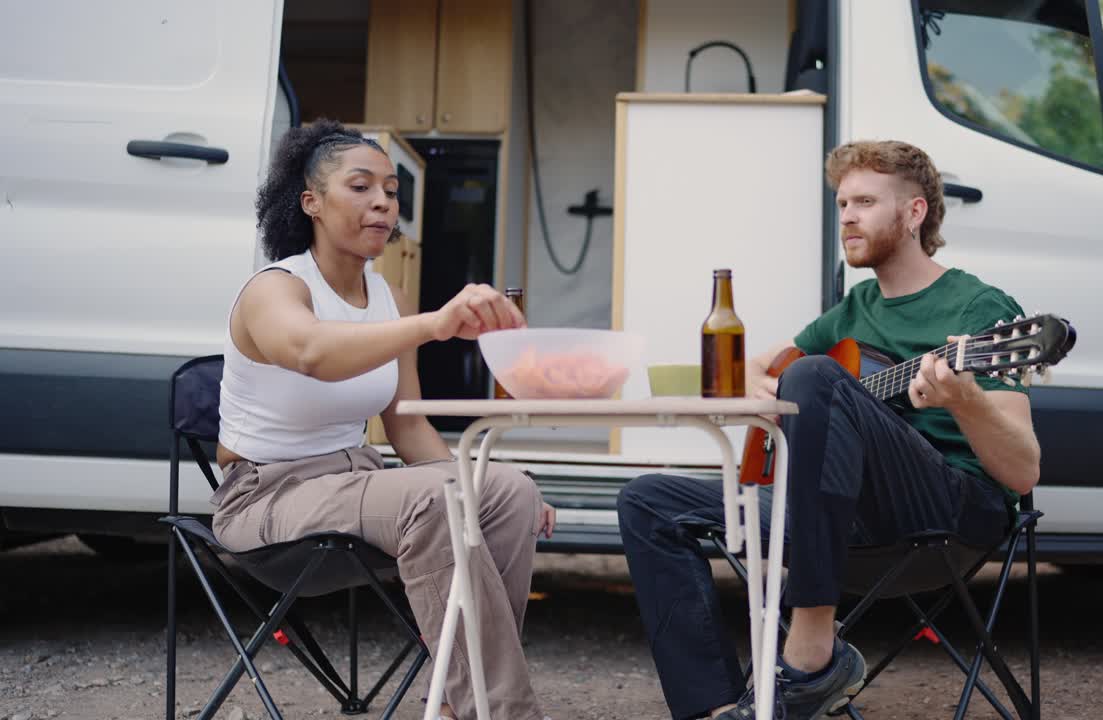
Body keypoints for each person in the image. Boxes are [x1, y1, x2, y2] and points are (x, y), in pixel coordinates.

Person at [617, 140, 1042, 720]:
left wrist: (964, 400)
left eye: (865, 201)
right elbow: (772, 365)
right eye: (842, 203)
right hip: (837, 516)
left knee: (816, 377)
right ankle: (714, 710)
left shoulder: (978, 308)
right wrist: (762, 384)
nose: (846, 216)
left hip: (949, 512)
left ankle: (813, 650)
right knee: (648, 501)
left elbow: (1022, 472)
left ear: (915, 213)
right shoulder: (855, 307)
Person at [210, 119, 554, 720]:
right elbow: (312, 353)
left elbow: (409, 428)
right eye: (361, 187)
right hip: (266, 499)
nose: (381, 203)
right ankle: (502, 714)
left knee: (509, 492)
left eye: (391, 191)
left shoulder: (387, 299)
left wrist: (483, 484)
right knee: (441, 499)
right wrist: (434, 324)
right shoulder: (276, 289)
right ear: (311, 202)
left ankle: (455, 705)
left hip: (354, 484)